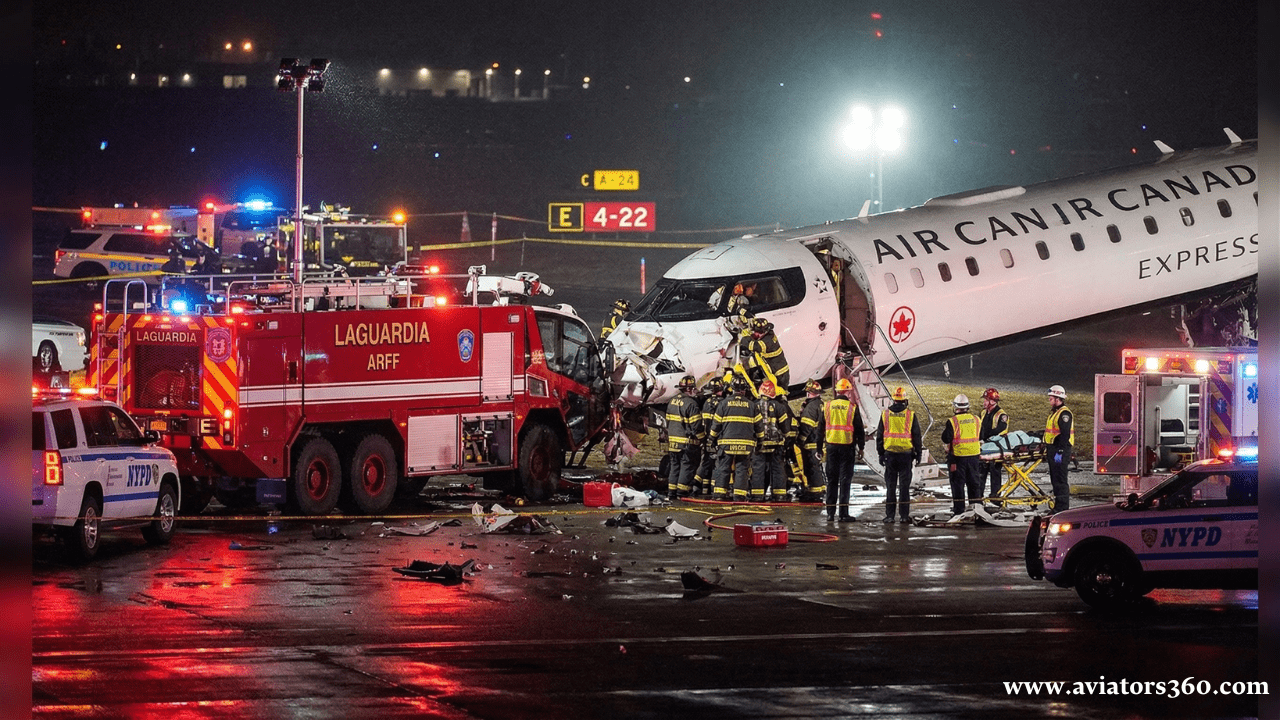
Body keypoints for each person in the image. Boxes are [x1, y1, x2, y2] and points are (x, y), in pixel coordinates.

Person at [709, 376, 763, 501]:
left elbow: (716, 424)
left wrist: (711, 439)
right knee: (742, 470)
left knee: (723, 468)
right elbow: (759, 427)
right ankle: (739, 496)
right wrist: (761, 441)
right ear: (744, 390)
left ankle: (719, 495)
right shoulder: (752, 405)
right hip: (745, 445)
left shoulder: (723, 404)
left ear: (731, 389)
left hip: (727, 444)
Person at [877, 386, 922, 524]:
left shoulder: (885, 414)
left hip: (890, 455)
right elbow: (917, 436)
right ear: (905, 400)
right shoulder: (910, 415)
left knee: (890, 487)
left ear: (893, 400)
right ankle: (903, 516)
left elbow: (880, 436)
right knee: (904, 488)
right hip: (905, 455)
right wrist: (918, 453)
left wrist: (880, 453)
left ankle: (890, 516)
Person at [823, 378, 864, 521]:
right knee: (845, 481)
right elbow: (859, 430)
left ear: (837, 390)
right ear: (848, 391)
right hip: (847, 447)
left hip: (831, 447)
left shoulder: (827, 406)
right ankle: (843, 514)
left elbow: (820, 428)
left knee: (831, 481)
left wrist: (818, 447)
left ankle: (829, 513)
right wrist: (861, 448)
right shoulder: (852, 407)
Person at [752, 380, 795, 503]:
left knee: (758, 468)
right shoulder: (779, 406)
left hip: (759, 444)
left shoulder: (754, 405)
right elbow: (785, 426)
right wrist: (786, 438)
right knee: (778, 468)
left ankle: (757, 495)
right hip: (776, 444)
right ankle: (779, 495)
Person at [940, 394, 982, 515]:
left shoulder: (953, 421)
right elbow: (982, 435)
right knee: (974, 484)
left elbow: (946, 438)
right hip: (974, 457)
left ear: (955, 407)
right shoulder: (976, 419)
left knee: (958, 485)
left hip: (958, 458)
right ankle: (976, 510)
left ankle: (959, 511)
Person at [664, 375, 704, 499]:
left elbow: (668, 421)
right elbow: (696, 425)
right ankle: (682, 492)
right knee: (687, 466)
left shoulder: (671, 401)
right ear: (690, 389)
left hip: (673, 441)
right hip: (687, 442)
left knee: (674, 466)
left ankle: (671, 492)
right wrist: (702, 439)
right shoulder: (691, 404)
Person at [691, 377, 726, 496]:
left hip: (706, 438)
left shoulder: (706, 403)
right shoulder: (722, 403)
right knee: (718, 464)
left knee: (706, 461)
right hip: (717, 438)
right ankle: (713, 488)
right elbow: (720, 424)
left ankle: (696, 483)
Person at [795, 379, 828, 502]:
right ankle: (819, 489)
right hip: (819, 441)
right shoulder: (820, 404)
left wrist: (800, 440)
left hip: (811, 442)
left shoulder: (810, 407)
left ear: (809, 393)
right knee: (816, 466)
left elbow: (806, 426)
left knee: (811, 467)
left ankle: (814, 493)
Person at [1044, 384, 1075, 513]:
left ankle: (1062, 508)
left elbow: (1065, 434)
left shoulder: (1064, 414)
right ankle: (1058, 507)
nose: (1050, 400)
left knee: (1060, 480)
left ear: (1058, 398)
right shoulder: (1055, 413)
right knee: (1055, 479)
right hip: (1054, 450)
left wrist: (1060, 452)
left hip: (1060, 450)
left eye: (1051, 398)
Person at [978, 387, 1010, 503]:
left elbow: (1000, 430)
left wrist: (985, 439)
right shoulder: (983, 412)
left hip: (997, 448)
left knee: (995, 473)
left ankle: (995, 498)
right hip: (984, 447)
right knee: (981, 472)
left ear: (992, 401)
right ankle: (978, 497)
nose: (984, 402)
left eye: (986, 400)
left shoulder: (1002, 415)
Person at [743, 317, 790, 389]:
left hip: (779, 374)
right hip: (778, 369)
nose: (756, 334)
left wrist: (745, 336)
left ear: (764, 332)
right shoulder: (769, 333)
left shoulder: (766, 342)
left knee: (779, 391)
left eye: (758, 332)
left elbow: (751, 345)